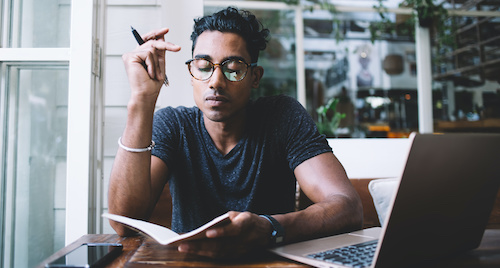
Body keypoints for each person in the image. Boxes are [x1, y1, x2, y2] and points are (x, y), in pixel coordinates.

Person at [108, 7, 363, 259]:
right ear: (191, 73)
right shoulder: (174, 125)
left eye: (233, 67)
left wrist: (268, 227)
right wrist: (142, 99)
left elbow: (347, 207)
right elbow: (123, 224)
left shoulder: (282, 118)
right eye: (204, 66)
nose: (216, 81)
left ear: (255, 77)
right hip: (190, 264)